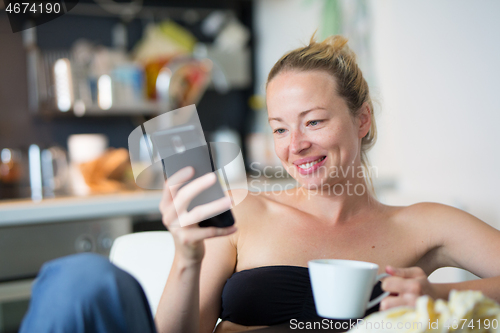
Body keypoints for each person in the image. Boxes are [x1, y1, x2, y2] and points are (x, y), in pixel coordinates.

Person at [154, 34, 500, 333]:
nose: (295, 145)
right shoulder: (238, 212)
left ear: (362, 119)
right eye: (280, 129)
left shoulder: (424, 225)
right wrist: (187, 257)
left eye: (314, 121)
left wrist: (439, 296)